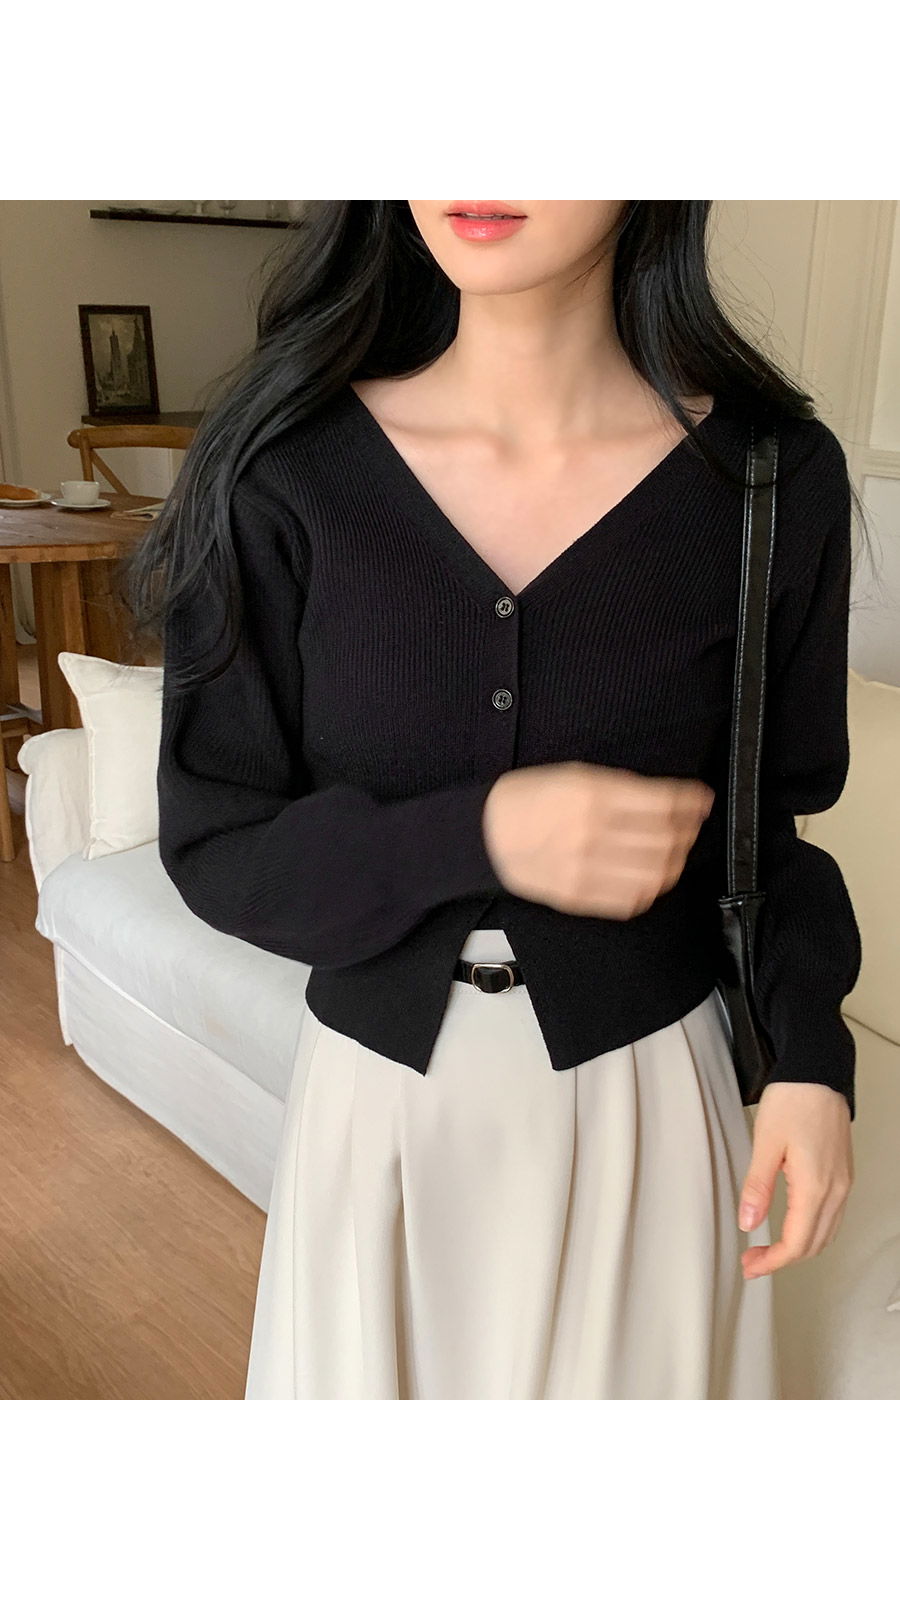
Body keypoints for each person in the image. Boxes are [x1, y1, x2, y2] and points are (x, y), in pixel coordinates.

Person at [125, 201, 864, 1399]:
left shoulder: (772, 481)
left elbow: (765, 832)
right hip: (378, 1117)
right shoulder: (282, 468)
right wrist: (482, 835)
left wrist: (813, 1060)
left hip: (647, 1110)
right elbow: (220, 843)